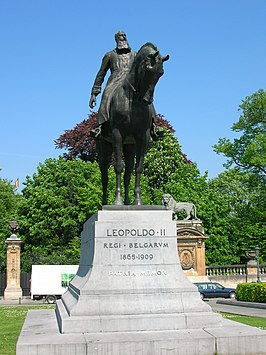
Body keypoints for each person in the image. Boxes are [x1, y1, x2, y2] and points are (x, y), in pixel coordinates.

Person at [89, 31, 162, 140]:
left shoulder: (135, 54)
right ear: (116, 39)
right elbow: (101, 73)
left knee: (146, 96)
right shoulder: (109, 55)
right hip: (115, 79)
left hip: (131, 80)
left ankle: (154, 126)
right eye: (120, 36)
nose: (122, 38)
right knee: (107, 96)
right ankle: (100, 126)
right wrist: (94, 92)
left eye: (124, 36)